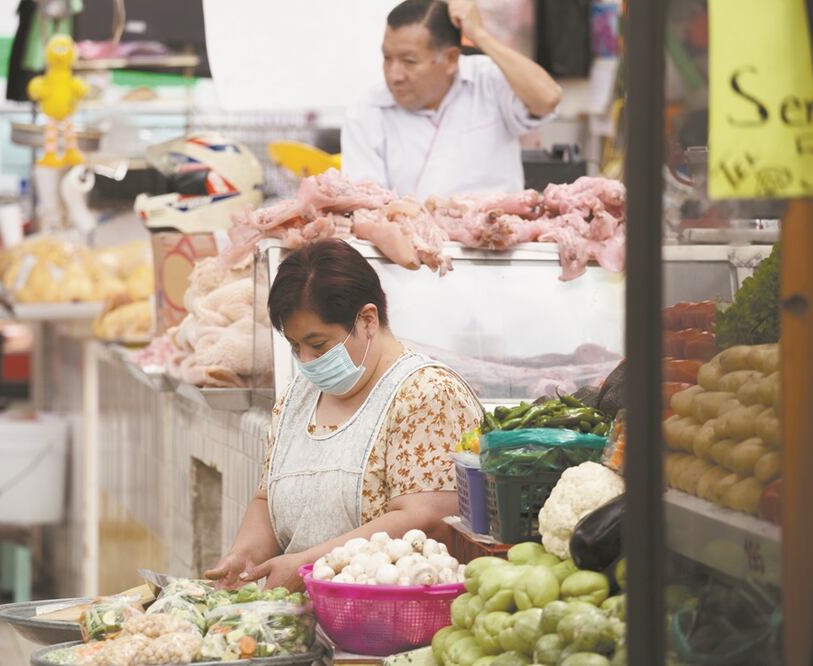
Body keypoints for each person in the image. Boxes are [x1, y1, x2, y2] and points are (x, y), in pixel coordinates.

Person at [206, 239, 484, 591]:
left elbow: (427, 519)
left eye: (318, 344)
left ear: (368, 320)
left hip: (392, 621)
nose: (306, 361)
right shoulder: (297, 397)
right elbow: (268, 498)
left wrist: (308, 564)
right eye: (295, 347)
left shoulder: (427, 393)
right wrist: (245, 558)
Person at [342, 0, 562, 199]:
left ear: (450, 59)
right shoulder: (367, 111)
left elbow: (548, 98)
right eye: (387, 58)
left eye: (409, 61)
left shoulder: (487, 80)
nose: (394, 75)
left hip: (499, 235)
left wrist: (481, 36)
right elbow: (366, 203)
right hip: (410, 240)